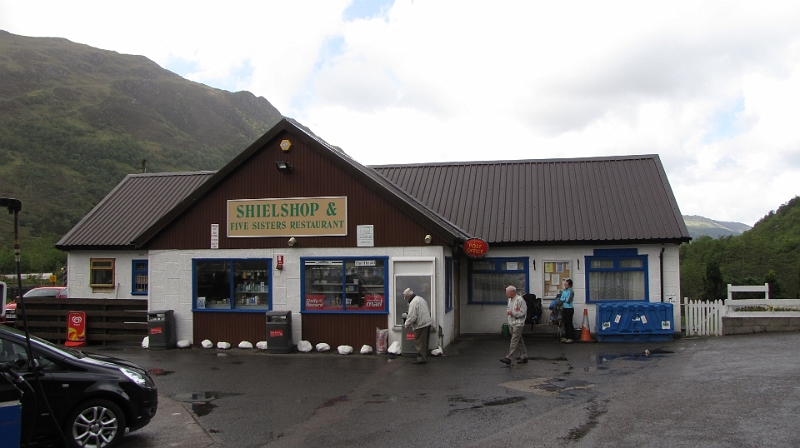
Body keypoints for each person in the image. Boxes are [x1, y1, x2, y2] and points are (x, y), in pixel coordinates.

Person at [500, 285, 528, 365]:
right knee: (519, 341)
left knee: (514, 340)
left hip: (518, 323)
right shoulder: (509, 299)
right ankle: (524, 356)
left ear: (512, 292)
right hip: (511, 322)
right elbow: (509, 308)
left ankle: (509, 357)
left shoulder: (520, 300)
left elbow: (523, 312)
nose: (506, 294)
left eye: (507, 292)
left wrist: (512, 313)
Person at [403, 288, 431, 364]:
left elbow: (412, 316)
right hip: (427, 322)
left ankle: (421, 359)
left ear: (408, 296)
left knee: (419, 342)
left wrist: (406, 324)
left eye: (406, 297)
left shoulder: (413, 302)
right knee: (424, 342)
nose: (406, 299)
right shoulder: (421, 299)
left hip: (420, 324)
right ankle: (424, 357)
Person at [559, 278, 575, 343]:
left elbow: (569, 300)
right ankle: (566, 336)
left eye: (566, 284)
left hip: (569, 309)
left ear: (569, 285)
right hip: (565, 308)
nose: (565, 285)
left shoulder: (571, 291)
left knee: (569, 323)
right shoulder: (564, 291)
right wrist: (564, 299)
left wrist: (564, 299)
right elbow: (561, 299)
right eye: (564, 284)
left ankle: (571, 337)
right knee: (565, 323)